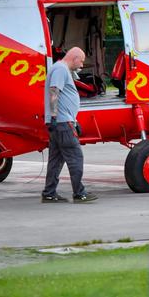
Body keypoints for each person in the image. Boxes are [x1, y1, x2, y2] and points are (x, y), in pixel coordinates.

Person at [42, 47, 97, 203]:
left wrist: (73, 120)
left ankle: (49, 192)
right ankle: (79, 193)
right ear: (74, 57)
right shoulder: (61, 69)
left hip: (61, 122)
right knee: (75, 157)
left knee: (56, 159)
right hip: (62, 122)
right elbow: (54, 91)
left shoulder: (59, 68)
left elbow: (63, 98)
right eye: (81, 60)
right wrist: (54, 117)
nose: (81, 64)